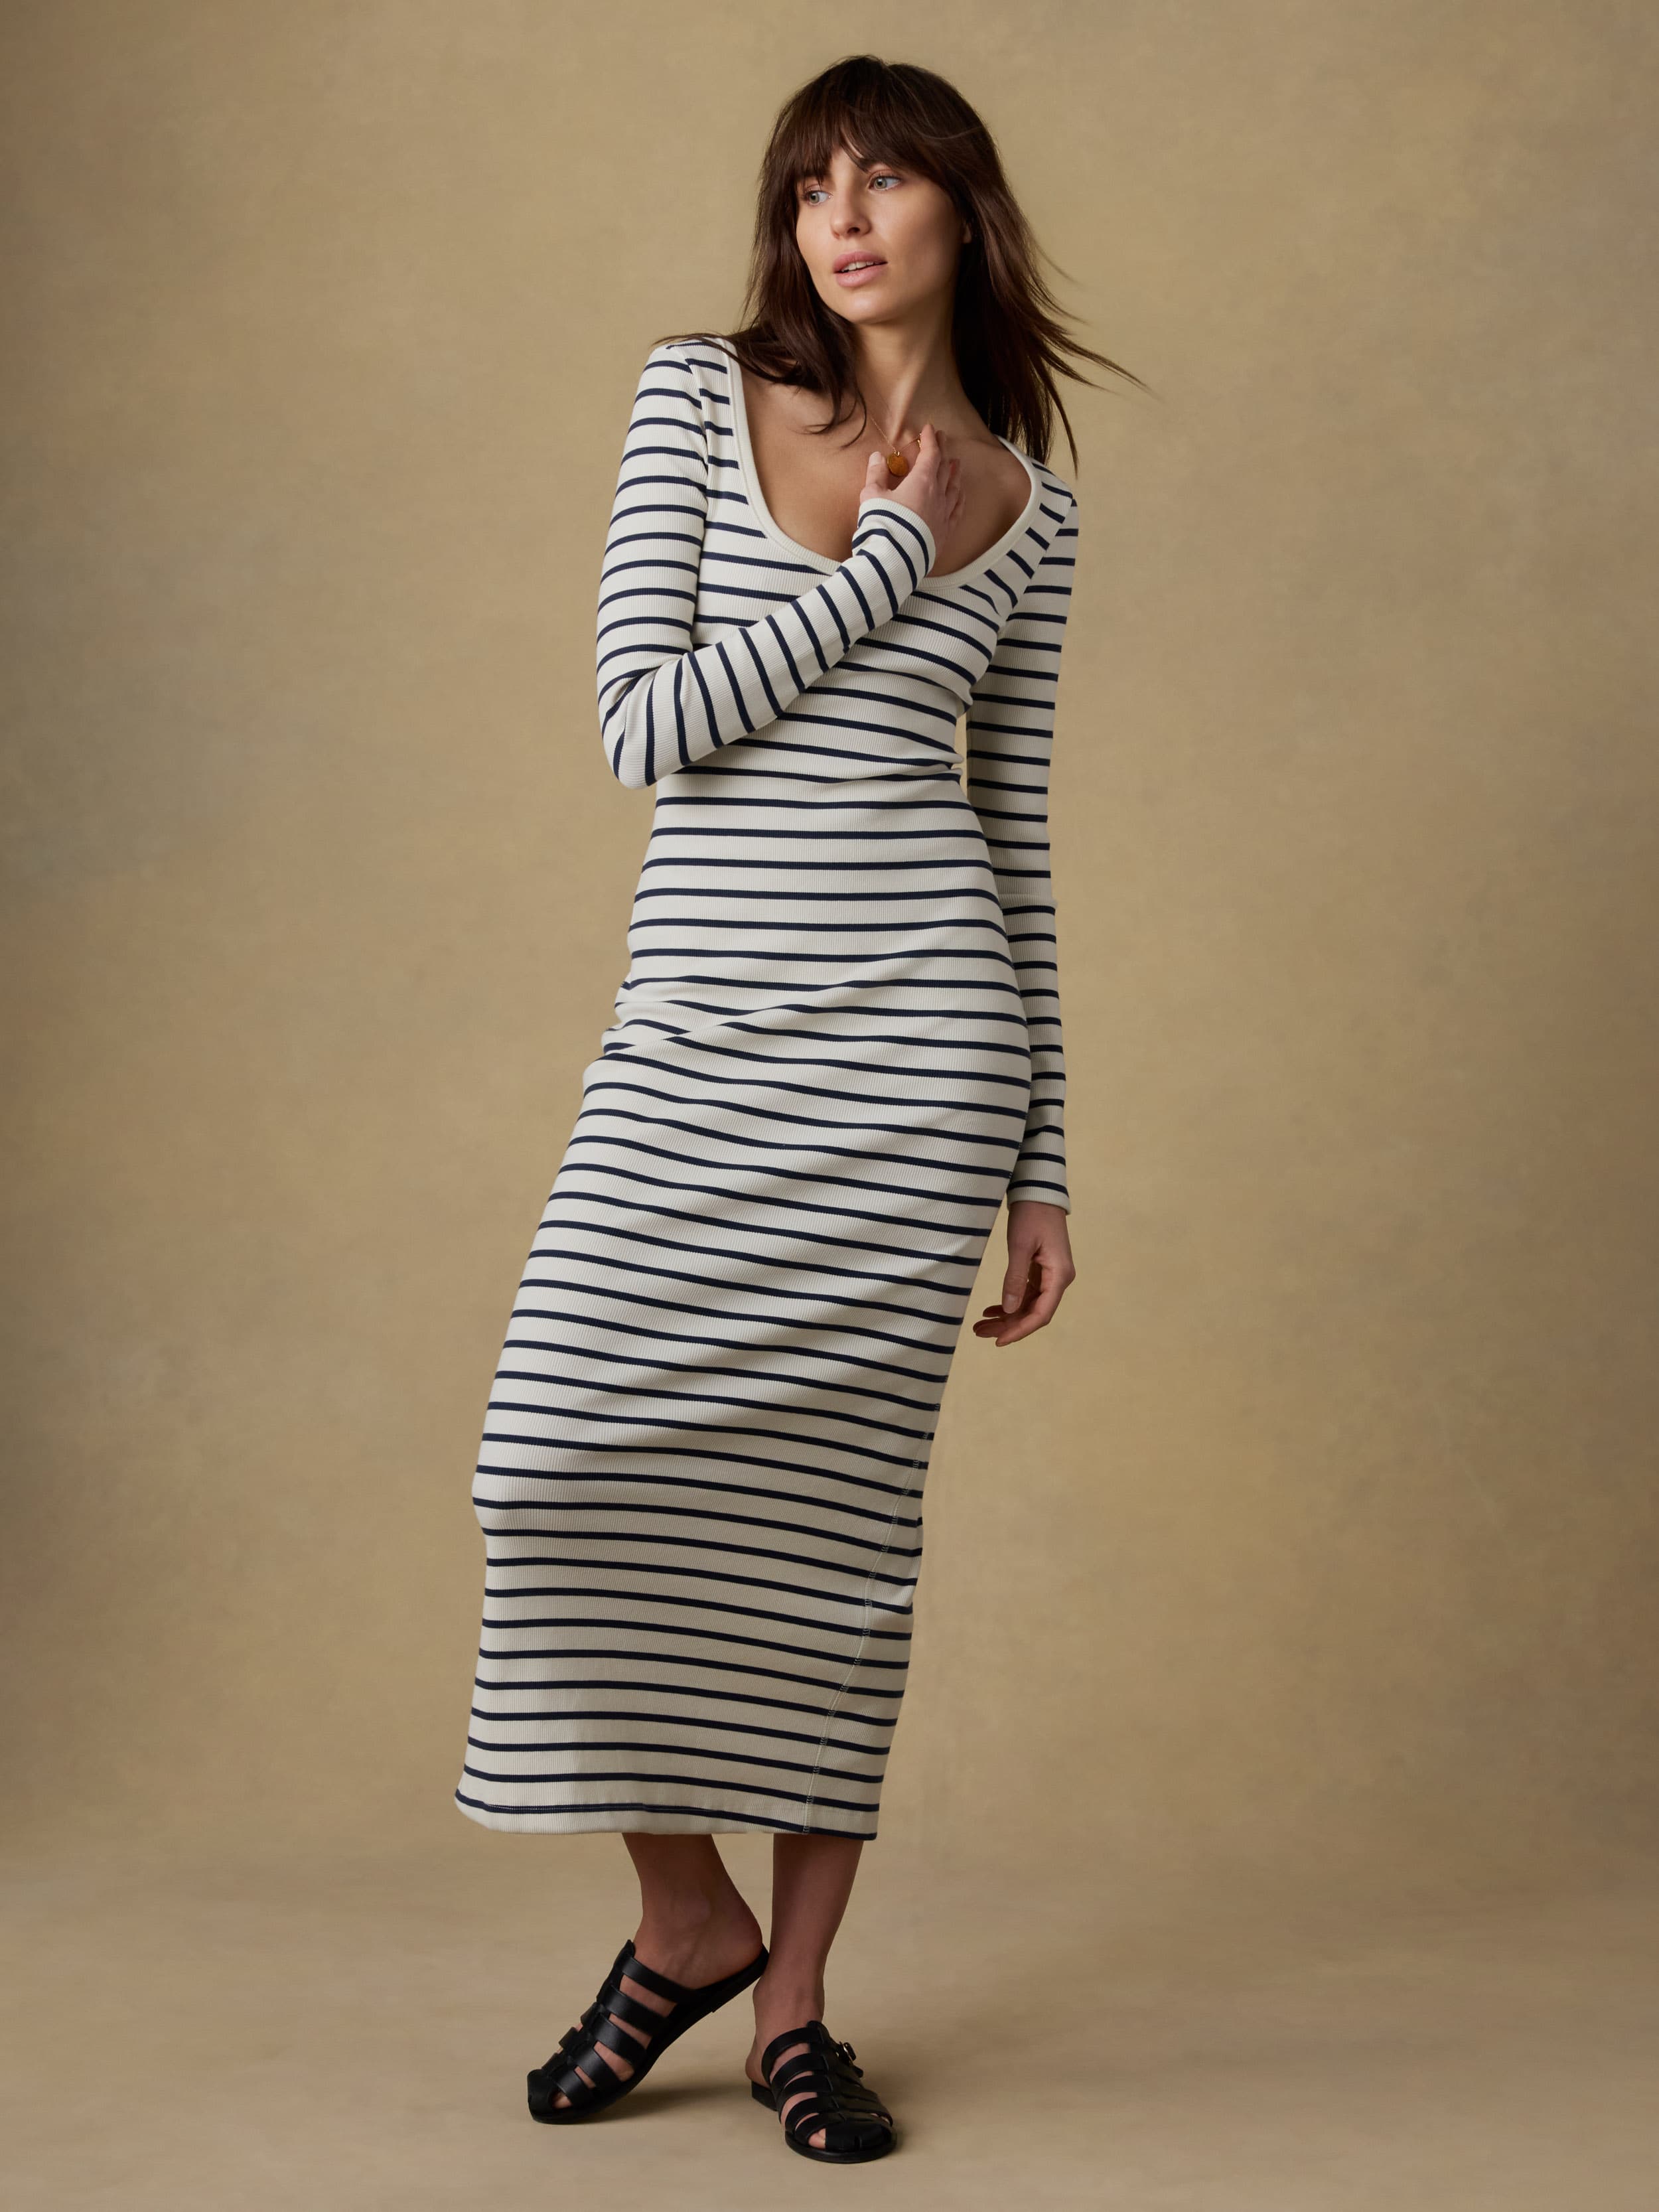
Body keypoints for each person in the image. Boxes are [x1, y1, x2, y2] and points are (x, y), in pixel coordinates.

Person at [454, 52, 1135, 2165]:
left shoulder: (1036, 501)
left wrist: (1039, 1163)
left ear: (959, 212)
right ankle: (687, 1923)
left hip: (920, 1072)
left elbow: (1008, 840)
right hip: (698, 1047)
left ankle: (798, 2019)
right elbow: (647, 726)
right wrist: (880, 558)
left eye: (890, 178)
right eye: (813, 180)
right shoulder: (695, 400)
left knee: (835, 1555)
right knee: (544, 1462)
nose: (846, 213)